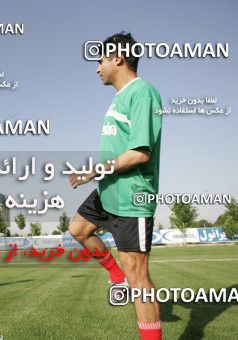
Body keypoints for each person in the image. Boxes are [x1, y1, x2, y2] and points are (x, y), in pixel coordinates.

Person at [68, 32, 162, 340]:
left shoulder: (142, 92)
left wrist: (92, 171)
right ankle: (115, 273)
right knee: (78, 230)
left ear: (118, 59)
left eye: (100, 60)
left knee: (139, 278)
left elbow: (139, 152)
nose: (97, 68)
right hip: (109, 191)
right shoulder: (118, 98)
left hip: (132, 197)